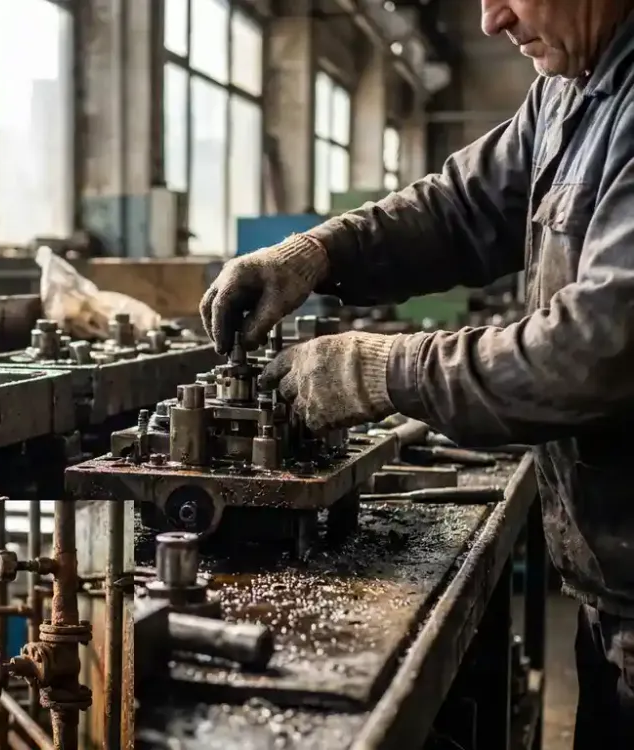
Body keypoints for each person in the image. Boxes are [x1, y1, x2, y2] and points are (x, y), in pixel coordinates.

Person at [199, 1, 634, 746]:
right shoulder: (570, 90)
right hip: (614, 595)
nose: (492, 20)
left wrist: (380, 372)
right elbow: (461, 208)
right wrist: (319, 253)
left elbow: (593, 353)